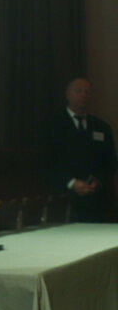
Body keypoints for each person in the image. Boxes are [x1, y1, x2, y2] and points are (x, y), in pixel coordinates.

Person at [39, 77, 115, 222]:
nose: (83, 95)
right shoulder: (52, 125)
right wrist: (71, 183)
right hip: (62, 199)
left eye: (87, 92)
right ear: (68, 94)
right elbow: (46, 161)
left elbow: (110, 161)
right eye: (79, 91)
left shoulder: (102, 127)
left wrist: (98, 181)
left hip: (96, 201)